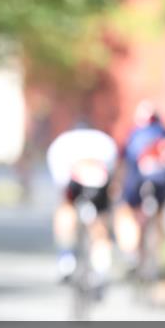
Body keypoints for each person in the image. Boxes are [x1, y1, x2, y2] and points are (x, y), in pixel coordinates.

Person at [45, 123, 118, 289]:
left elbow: (61, 183)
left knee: (65, 208)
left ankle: (66, 259)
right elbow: (112, 174)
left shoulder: (62, 142)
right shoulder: (104, 140)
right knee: (100, 225)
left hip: (75, 180)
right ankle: (101, 268)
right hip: (100, 180)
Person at [114, 101, 165, 276]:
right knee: (158, 215)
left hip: (137, 181)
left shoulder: (133, 134)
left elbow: (123, 163)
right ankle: (159, 258)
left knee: (126, 212)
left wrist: (118, 184)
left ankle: (131, 253)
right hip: (161, 183)